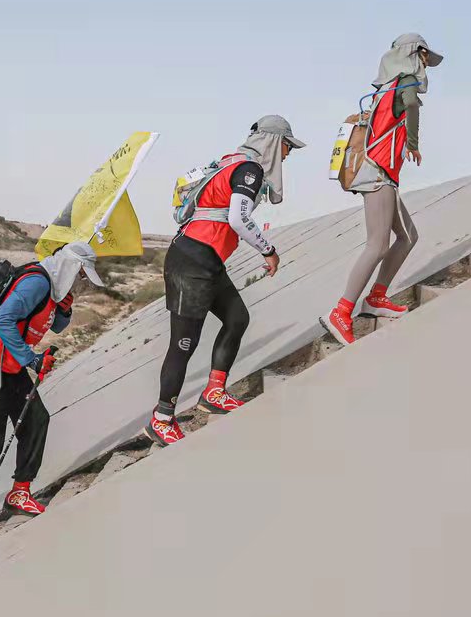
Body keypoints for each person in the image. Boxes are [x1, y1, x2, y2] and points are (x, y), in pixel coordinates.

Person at [149, 115, 304, 446]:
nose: (288, 155)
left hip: (206, 261)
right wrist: (268, 250)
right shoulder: (249, 169)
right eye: (288, 147)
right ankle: (162, 419)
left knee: (237, 318)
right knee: (183, 344)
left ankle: (214, 391)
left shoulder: (230, 163)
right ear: (275, 143)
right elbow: (238, 218)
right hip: (191, 260)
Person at [0, 241, 104, 551]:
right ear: (71, 266)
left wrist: (66, 306)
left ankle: (19, 491)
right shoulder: (36, 282)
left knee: (36, 421)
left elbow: (53, 324)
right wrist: (32, 359)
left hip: (10, 366)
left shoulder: (54, 288)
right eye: (82, 274)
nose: (83, 281)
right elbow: (3, 321)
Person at [323, 35, 444, 344]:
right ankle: (341, 311)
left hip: (383, 175)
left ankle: (376, 297)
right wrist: (414, 145)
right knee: (377, 244)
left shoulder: (385, 88)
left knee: (407, 236)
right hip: (378, 175)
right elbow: (413, 107)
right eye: (425, 57)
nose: (427, 63)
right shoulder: (404, 82)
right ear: (415, 54)